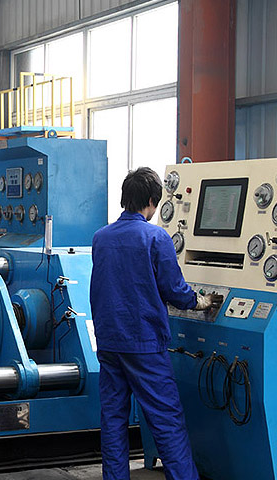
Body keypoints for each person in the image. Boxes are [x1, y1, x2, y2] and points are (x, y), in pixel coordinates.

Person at [90, 167, 220, 480]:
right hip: (144, 344)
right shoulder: (155, 237)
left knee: (113, 420)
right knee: (166, 420)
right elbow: (174, 289)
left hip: (109, 342)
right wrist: (199, 302)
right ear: (151, 200)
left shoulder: (101, 238)